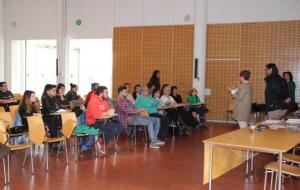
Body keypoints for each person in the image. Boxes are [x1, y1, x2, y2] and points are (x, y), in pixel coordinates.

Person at [86, 86, 124, 151]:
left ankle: (100, 138)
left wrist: (111, 111)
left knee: (121, 127)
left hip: (102, 120)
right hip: (93, 123)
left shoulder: (104, 101)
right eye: (106, 93)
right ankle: (103, 143)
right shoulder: (93, 101)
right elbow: (96, 116)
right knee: (114, 129)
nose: (107, 94)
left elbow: (107, 111)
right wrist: (107, 113)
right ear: (101, 94)